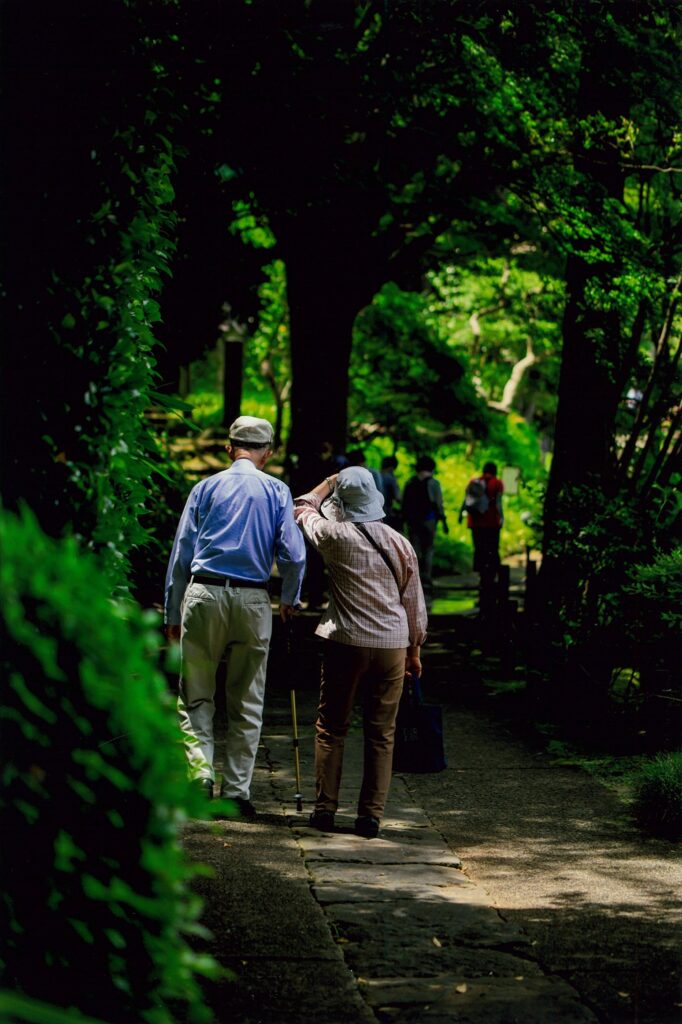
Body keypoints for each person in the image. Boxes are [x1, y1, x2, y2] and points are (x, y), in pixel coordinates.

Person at [164, 415, 306, 817]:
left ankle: (199, 775)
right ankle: (237, 792)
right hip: (252, 598)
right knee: (247, 697)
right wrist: (289, 600)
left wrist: (173, 611)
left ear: (229, 448)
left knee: (195, 690)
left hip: (204, 592)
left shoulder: (205, 488)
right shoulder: (278, 491)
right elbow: (294, 555)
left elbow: (181, 555)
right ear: (269, 452)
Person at [294, 467, 427, 839]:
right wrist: (414, 651)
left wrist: (330, 481)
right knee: (382, 733)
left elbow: (301, 506)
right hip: (392, 647)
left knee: (332, 728)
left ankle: (325, 809)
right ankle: (370, 817)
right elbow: (413, 604)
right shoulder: (401, 543)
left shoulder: (334, 535)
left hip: (345, 644)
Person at [460, 461, 504, 614]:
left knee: (479, 549)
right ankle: (490, 576)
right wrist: (501, 518)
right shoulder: (497, 483)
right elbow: (498, 502)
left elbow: (466, 500)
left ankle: (481, 574)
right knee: (492, 549)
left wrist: (461, 515)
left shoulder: (474, 482)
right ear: (495, 471)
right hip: (491, 523)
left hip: (475, 523)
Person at [401, 455, 448, 592]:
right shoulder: (434, 483)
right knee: (428, 549)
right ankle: (426, 578)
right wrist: (444, 521)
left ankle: (414, 578)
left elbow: (405, 503)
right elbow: (439, 504)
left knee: (414, 549)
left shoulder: (410, 482)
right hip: (429, 520)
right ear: (432, 468)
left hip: (413, 521)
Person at [380, 455, 402, 532]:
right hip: (386, 512)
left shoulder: (374, 475)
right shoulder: (391, 479)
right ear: (392, 467)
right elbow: (398, 497)